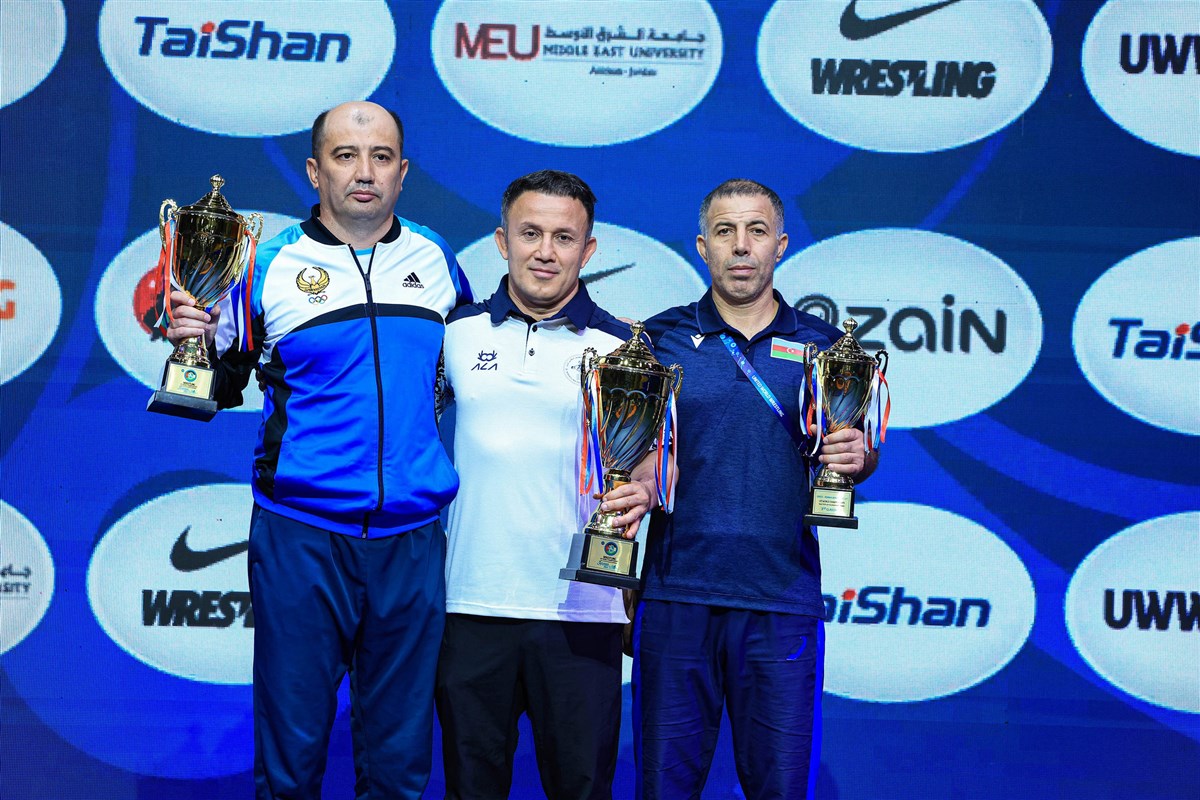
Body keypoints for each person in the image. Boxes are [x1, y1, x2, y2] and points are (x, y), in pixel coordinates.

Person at [165, 101, 472, 799]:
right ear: (313, 171)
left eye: (381, 157)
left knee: (400, 764)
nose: (364, 172)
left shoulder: (436, 259)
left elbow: (467, 374)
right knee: (292, 756)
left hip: (412, 542)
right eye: (345, 156)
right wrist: (193, 343)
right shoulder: (266, 265)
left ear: (402, 172)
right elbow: (217, 387)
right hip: (301, 538)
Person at [632, 179, 879, 799]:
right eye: (725, 232)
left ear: (780, 245)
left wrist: (859, 457)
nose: (741, 246)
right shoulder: (656, 342)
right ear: (702, 247)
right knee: (662, 790)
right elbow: (628, 457)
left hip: (781, 599)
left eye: (757, 231)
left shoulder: (829, 348)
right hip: (676, 594)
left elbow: (858, 453)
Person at [435, 170, 651, 800]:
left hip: (584, 610)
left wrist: (644, 492)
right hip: (471, 604)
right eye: (530, 233)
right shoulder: (453, 334)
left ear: (589, 250)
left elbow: (652, 468)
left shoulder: (624, 349)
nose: (545, 252)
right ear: (502, 241)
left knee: (581, 790)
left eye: (564, 237)